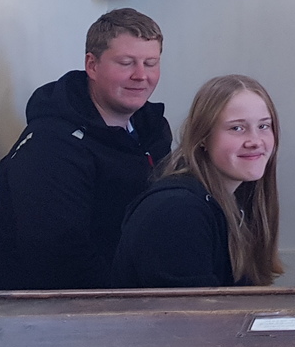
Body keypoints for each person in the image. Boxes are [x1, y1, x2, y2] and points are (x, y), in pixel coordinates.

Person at [0, 8, 173, 290]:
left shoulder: (152, 129)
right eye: (126, 63)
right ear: (92, 65)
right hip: (53, 305)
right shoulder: (49, 147)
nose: (141, 75)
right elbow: (60, 258)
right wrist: (132, 297)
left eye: (151, 63)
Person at [112, 75, 282, 288]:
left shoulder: (237, 201)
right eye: (237, 128)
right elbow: (192, 309)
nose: (255, 141)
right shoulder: (177, 212)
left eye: (264, 126)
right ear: (203, 137)